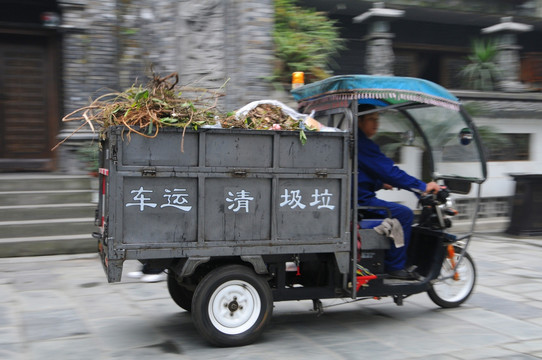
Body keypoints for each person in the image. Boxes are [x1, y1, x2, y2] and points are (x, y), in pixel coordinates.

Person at [357, 104, 440, 280]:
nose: (376, 124)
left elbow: (360, 176)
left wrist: (380, 183)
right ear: (359, 120)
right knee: (404, 214)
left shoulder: (355, 141)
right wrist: (423, 187)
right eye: (371, 119)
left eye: (377, 120)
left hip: (356, 197)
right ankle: (395, 267)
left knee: (396, 211)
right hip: (360, 202)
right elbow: (390, 171)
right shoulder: (362, 144)